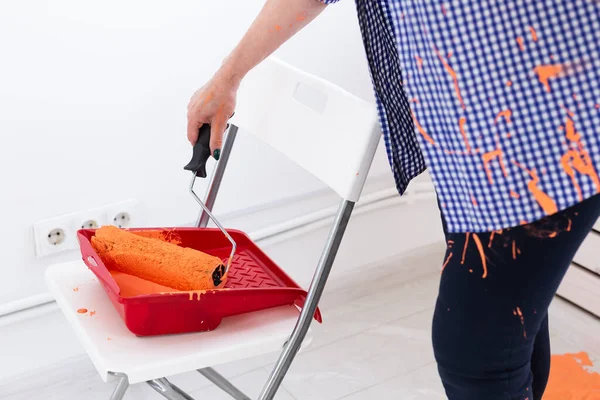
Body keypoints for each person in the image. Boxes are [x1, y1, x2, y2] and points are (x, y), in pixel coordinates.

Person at [186, 1, 600, 398]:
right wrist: (228, 77)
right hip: (467, 148)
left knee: (476, 355)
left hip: (549, 138)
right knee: (511, 327)